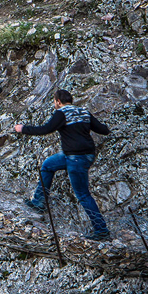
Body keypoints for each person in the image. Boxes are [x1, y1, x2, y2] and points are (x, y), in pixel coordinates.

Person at [14, 89, 111, 241]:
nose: (54, 104)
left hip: (76, 158)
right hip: (83, 155)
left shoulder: (62, 112)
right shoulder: (83, 111)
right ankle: (39, 202)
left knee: (83, 194)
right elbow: (103, 130)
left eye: (54, 102)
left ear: (58, 101)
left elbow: (46, 129)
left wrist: (23, 129)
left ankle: (101, 230)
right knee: (48, 165)